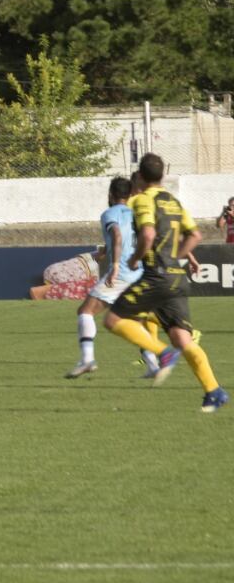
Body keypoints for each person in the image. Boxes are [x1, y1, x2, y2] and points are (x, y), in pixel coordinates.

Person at [102, 153, 228, 413]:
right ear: (162, 176)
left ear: (140, 175)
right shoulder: (174, 202)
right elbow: (195, 235)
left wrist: (136, 259)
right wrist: (176, 258)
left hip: (157, 275)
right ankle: (214, 391)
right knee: (183, 339)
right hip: (176, 277)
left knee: (112, 320)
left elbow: (147, 233)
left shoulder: (141, 200)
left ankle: (162, 353)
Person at [65, 177, 142, 378]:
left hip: (122, 272)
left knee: (85, 311)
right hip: (139, 271)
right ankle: (152, 362)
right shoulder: (136, 214)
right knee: (134, 320)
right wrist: (105, 251)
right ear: (130, 194)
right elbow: (130, 237)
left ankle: (87, 359)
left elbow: (117, 235)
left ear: (110, 194)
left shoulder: (109, 213)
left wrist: (114, 265)